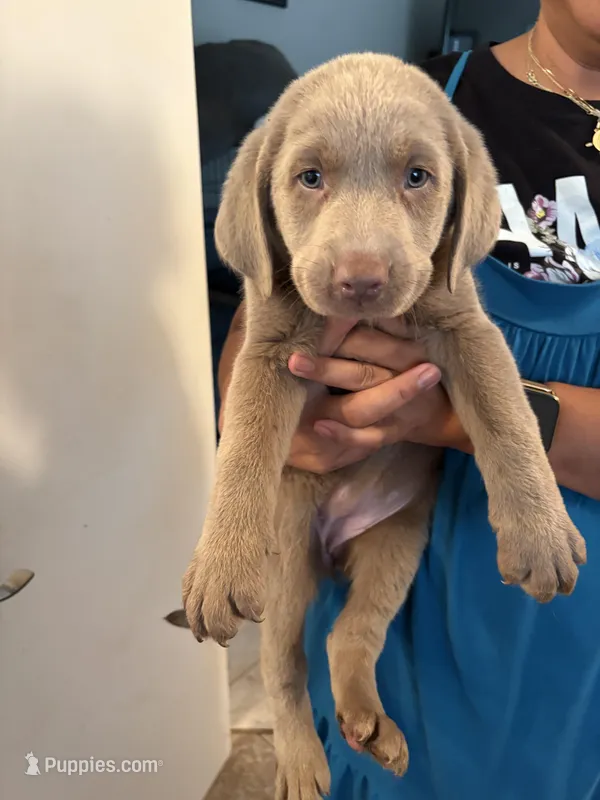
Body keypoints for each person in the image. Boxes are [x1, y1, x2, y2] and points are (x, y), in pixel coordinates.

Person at [217, 1, 600, 796]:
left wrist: (442, 414)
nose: (361, 257)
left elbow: (465, 338)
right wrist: (270, 460)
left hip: (566, 621)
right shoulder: (417, 100)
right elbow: (253, 353)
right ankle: (292, 705)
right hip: (425, 622)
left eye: (415, 179)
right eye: (313, 178)